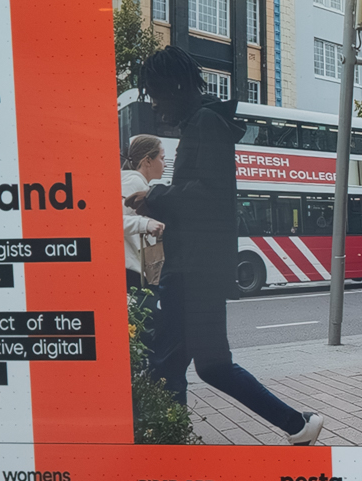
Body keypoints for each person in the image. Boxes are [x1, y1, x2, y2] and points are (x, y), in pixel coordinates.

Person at [136, 47, 325, 445]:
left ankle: (167, 445)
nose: (154, 104)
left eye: (156, 93)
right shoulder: (202, 123)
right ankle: (296, 424)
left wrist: (154, 195)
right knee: (200, 364)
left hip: (194, 270)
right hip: (194, 267)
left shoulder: (206, 123)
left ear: (174, 86)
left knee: (175, 363)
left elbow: (208, 196)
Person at [121, 134, 166, 292]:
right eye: (162, 158)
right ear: (147, 161)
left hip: (132, 267)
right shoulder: (133, 182)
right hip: (131, 269)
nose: (165, 164)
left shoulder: (135, 182)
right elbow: (112, 221)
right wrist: (146, 224)